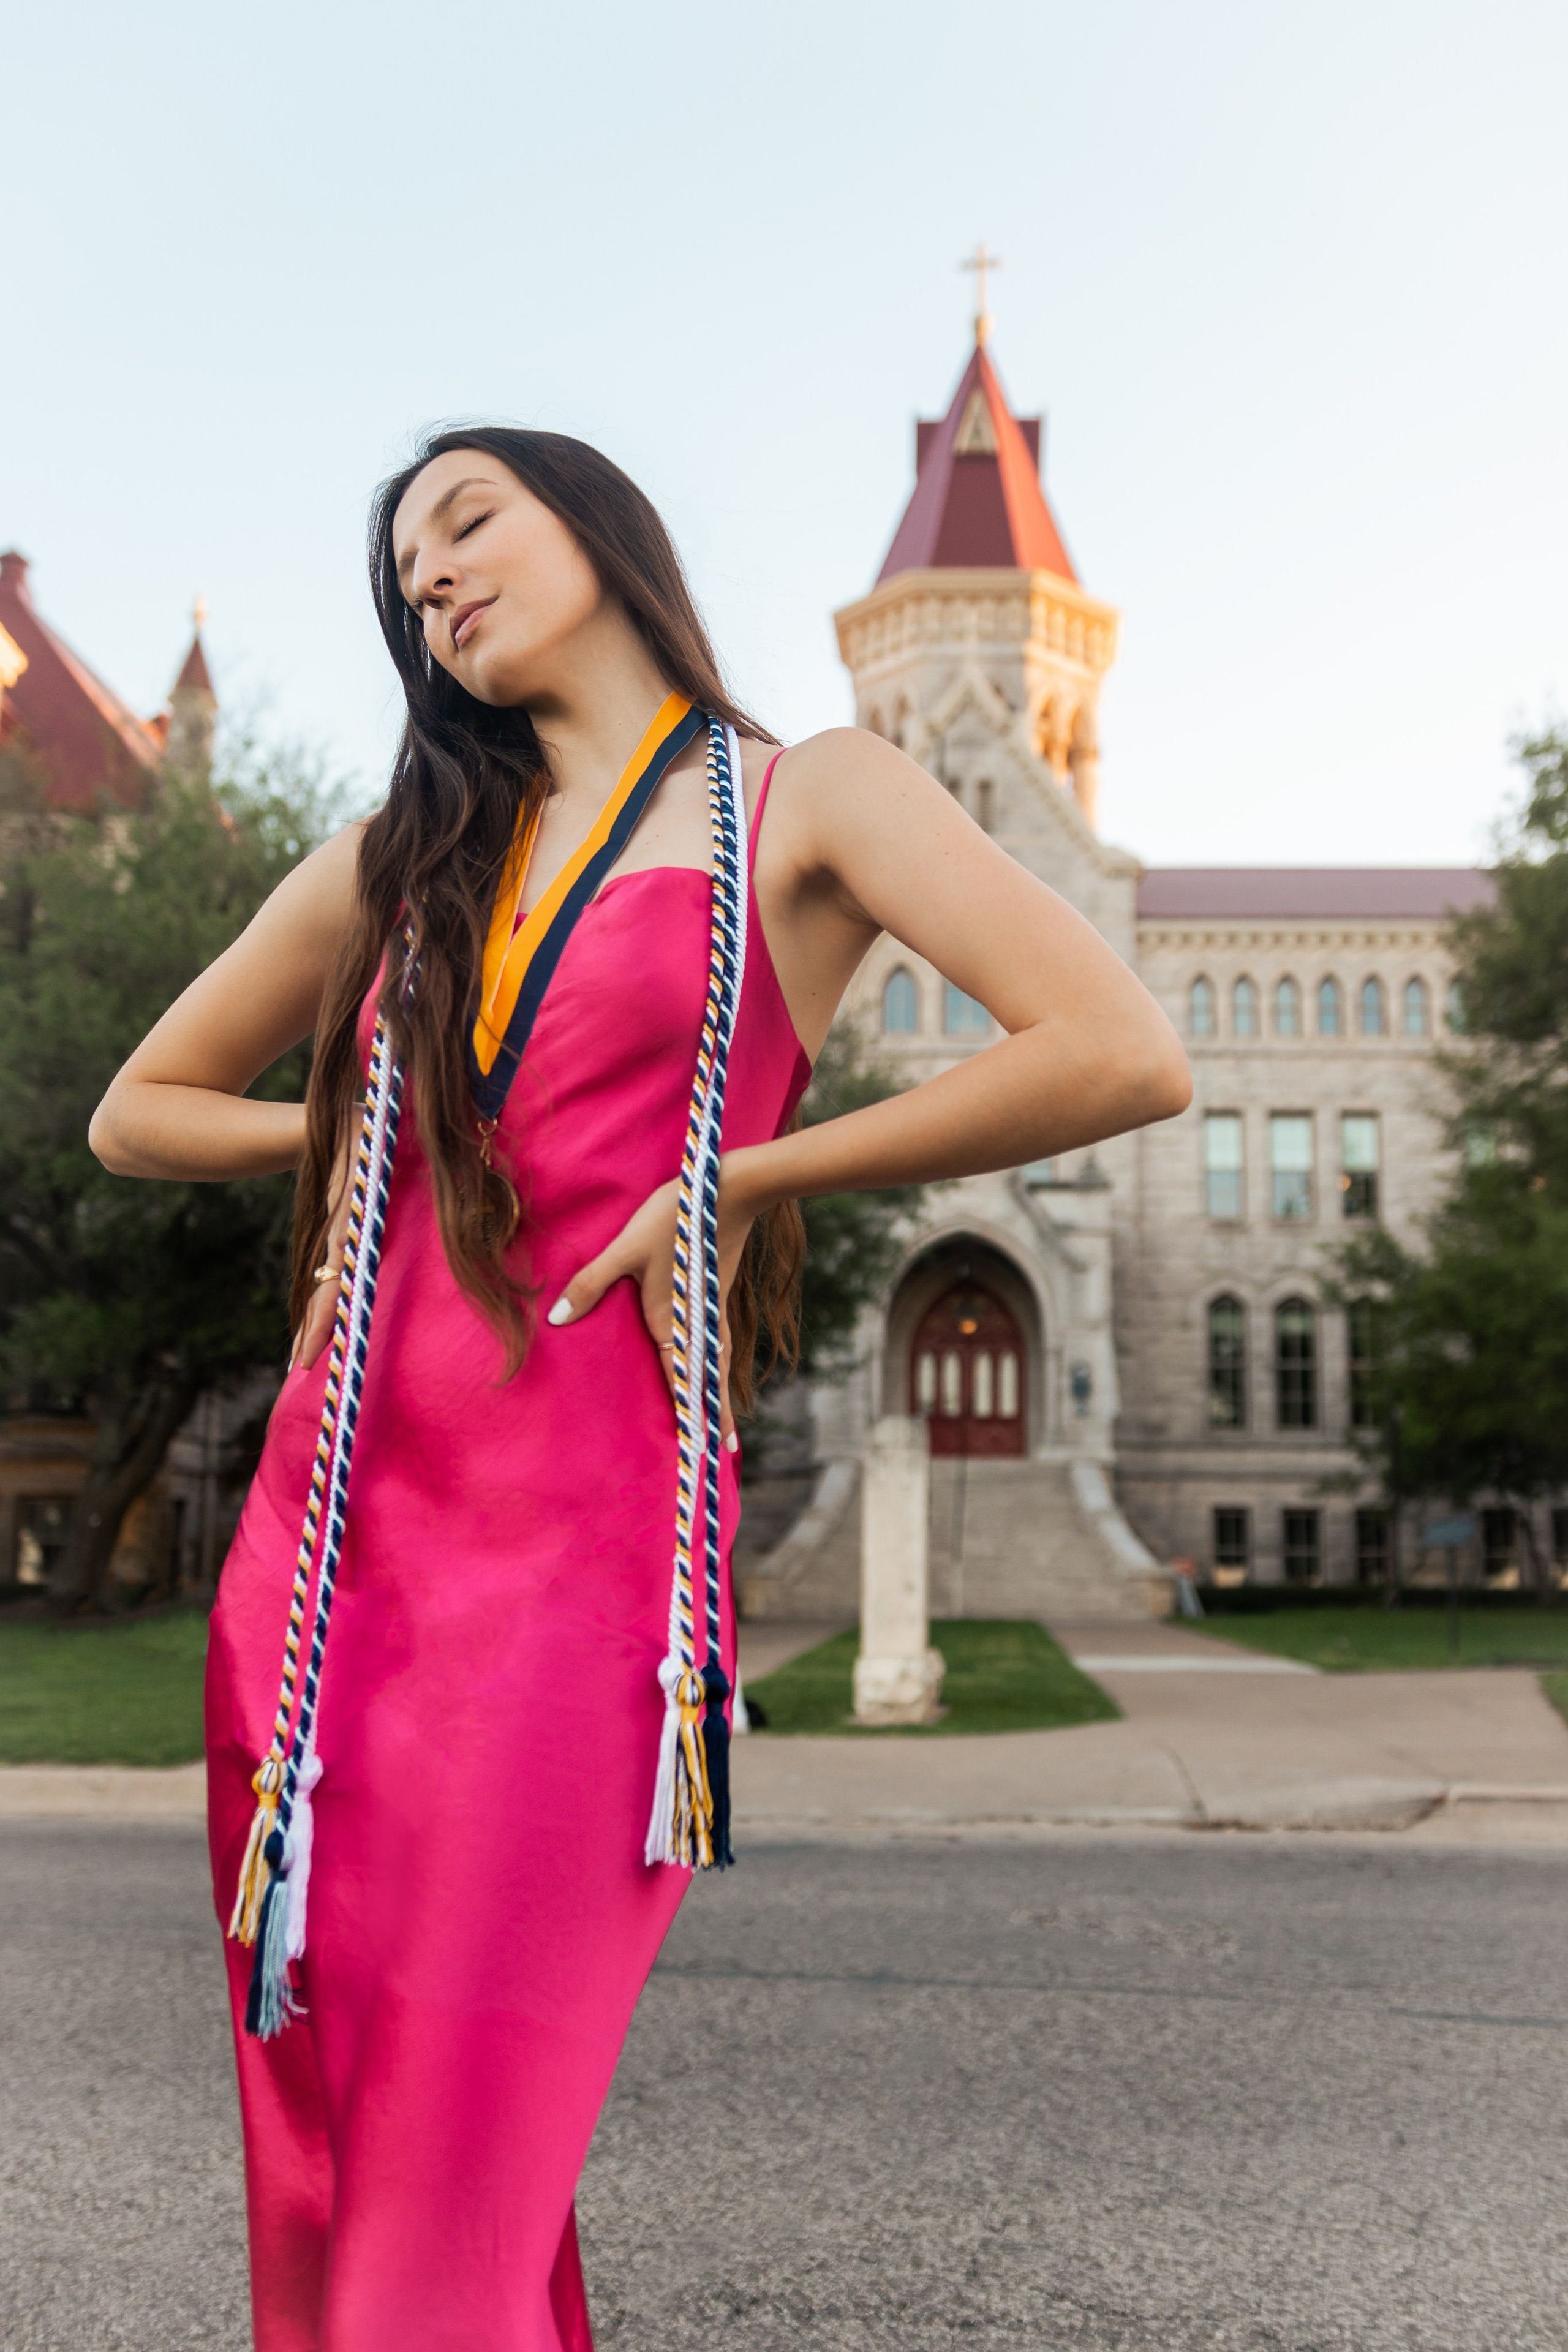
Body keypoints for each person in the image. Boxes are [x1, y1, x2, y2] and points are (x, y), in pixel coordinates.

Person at [90, 426, 1191, 2351]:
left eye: (466, 524)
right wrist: (356, 1140)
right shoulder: (400, 859)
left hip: (575, 1579)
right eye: (406, 576)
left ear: (596, 526)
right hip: (322, 1565)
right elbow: (137, 1111)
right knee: (340, 2173)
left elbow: (1115, 1050)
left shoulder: (809, 802)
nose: (432, 580)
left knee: (446, 2205)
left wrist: (742, 1176)